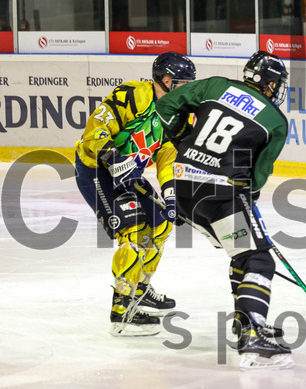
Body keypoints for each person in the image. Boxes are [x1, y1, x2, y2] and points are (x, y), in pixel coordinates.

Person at [154, 51, 292, 371]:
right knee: (257, 257)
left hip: (184, 187)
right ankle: (253, 332)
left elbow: (166, 105)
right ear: (270, 85)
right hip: (220, 195)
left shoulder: (216, 86)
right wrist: (249, 199)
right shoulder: (275, 120)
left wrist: (182, 138)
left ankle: (245, 322)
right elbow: (259, 175)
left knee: (241, 252)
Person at [74, 52, 196, 336]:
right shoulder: (131, 95)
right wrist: (114, 158)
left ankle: (140, 289)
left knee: (161, 224)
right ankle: (122, 311)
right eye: (184, 83)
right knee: (136, 233)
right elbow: (96, 129)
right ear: (166, 81)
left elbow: (167, 157)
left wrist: (171, 196)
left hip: (130, 175)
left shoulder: (176, 114)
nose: (189, 89)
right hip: (97, 171)